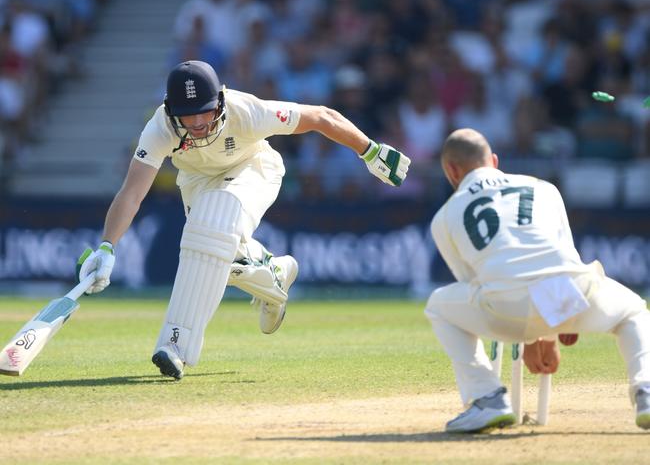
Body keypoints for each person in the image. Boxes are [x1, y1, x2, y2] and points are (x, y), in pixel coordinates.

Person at [75, 60, 411, 380]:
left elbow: (321, 117)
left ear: (220, 99)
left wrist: (369, 150)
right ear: (170, 110)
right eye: (187, 117)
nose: (198, 124)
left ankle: (175, 345)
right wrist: (107, 246)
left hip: (254, 169)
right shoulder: (160, 128)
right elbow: (132, 193)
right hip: (198, 184)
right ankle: (274, 273)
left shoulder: (247, 111)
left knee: (208, 234)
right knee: (216, 252)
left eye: (205, 112)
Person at [424, 128, 650, 433]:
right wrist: (551, 328)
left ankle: (486, 398)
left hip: (505, 307)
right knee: (633, 311)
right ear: (493, 160)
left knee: (439, 305)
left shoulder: (444, 217)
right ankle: (645, 392)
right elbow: (563, 258)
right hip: (569, 291)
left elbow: (478, 286)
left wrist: (529, 334)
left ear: (451, 170)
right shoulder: (542, 188)